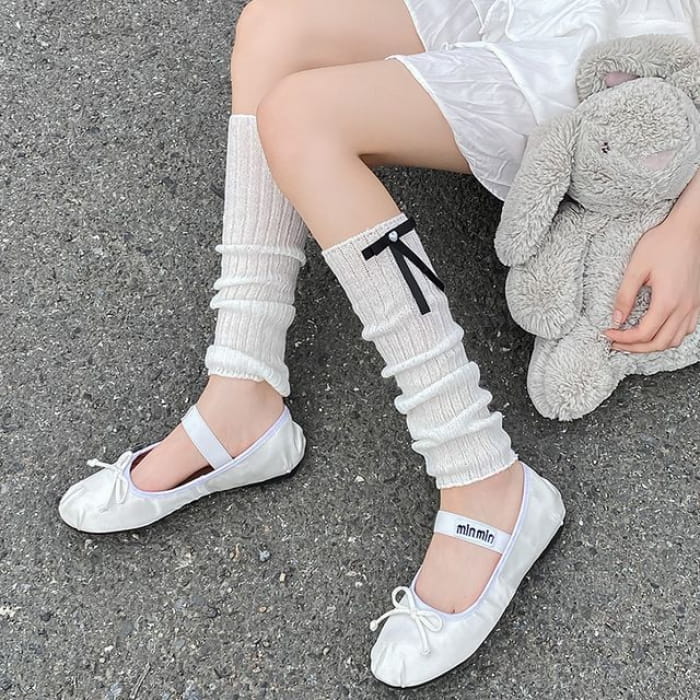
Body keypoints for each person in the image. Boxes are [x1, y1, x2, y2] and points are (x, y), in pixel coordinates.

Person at [57, 0, 700, 689]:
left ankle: (485, 478)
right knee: (273, 28)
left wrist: (689, 226)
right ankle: (242, 391)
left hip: (629, 52)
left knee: (304, 120)